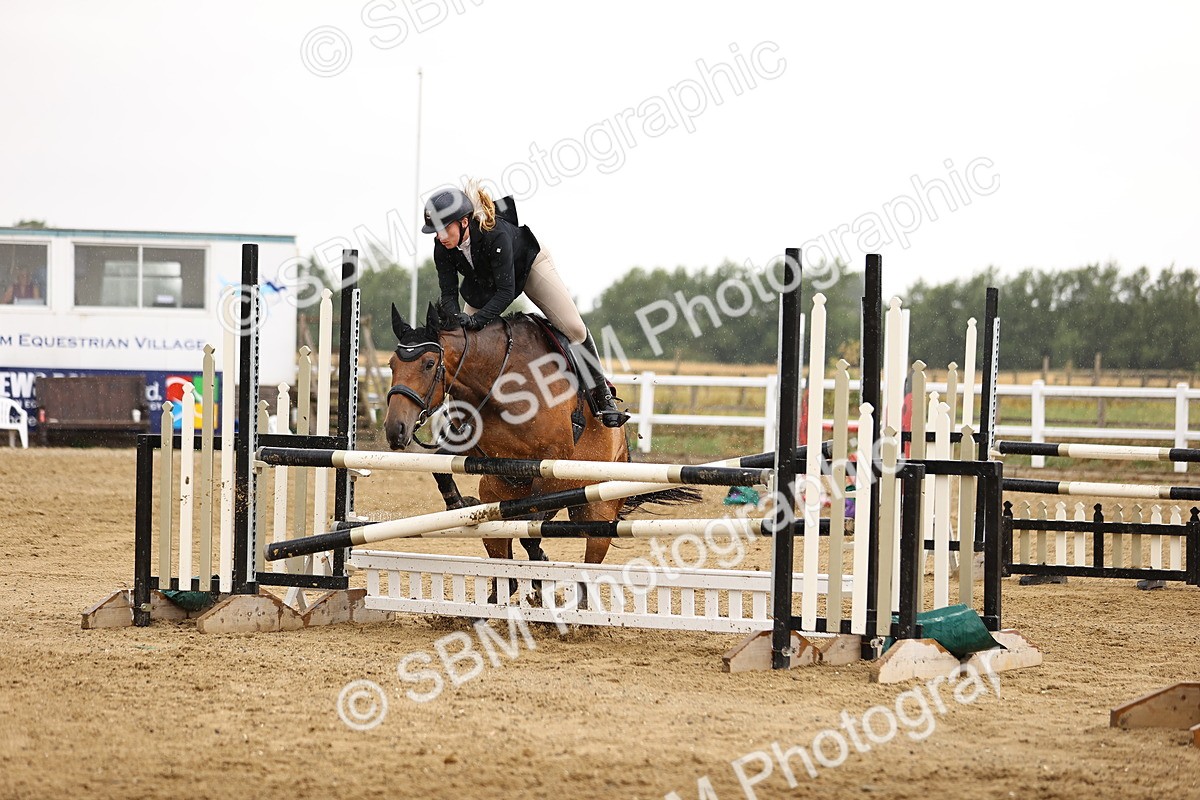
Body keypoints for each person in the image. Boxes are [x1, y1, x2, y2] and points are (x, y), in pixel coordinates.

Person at [423, 180, 628, 427]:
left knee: (574, 328)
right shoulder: (442, 247)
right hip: (486, 281)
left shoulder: (495, 234)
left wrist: (476, 320)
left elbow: (506, 292)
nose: (440, 236)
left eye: (444, 229)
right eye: (436, 231)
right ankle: (458, 422)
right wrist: (457, 321)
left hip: (528, 267)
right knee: (462, 342)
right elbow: (448, 293)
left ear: (464, 222)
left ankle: (602, 396)